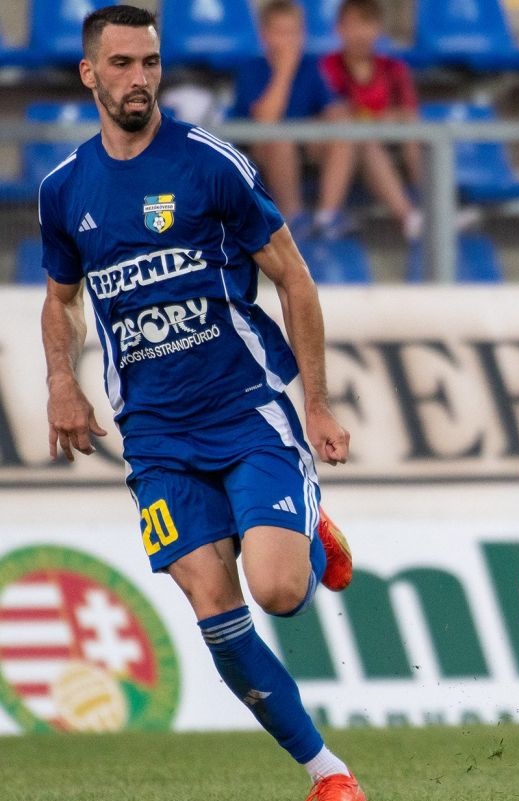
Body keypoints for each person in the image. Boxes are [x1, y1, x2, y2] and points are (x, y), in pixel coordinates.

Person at [40, 7, 364, 800]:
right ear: (89, 74)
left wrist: (316, 402)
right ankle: (329, 775)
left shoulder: (210, 164)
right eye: (121, 64)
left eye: (150, 63)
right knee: (215, 608)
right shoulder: (64, 189)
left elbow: (292, 277)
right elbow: (61, 300)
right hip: (154, 437)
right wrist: (60, 381)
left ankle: (307, 528)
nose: (139, 79)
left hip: (245, 410)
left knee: (279, 591)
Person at [231, 0, 354, 240]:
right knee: (279, 138)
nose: (289, 40)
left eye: (294, 32)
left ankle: (327, 216)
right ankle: (293, 217)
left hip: (304, 142)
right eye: (281, 32)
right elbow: (265, 122)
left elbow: (332, 109)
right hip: (258, 148)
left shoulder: (310, 67)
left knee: (344, 131)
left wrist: (334, 115)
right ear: (264, 36)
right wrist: (284, 71)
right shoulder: (251, 69)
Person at [319, 0, 425, 242]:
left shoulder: (394, 69)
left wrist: (388, 119)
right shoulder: (328, 68)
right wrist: (377, 119)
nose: (361, 34)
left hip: (389, 142)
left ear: (378, 29)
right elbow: (334, 113)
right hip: (336, 146)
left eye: (367, 25)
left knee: (417, 132)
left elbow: (409, 114)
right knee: (360, 137)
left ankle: (432, 205)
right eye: (353, 25)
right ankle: (410, 217)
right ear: (339, 29)